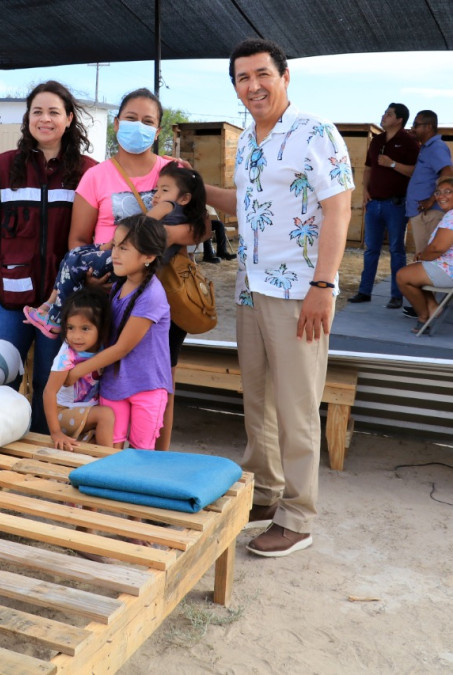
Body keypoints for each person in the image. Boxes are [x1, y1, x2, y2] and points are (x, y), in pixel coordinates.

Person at [204, 38, 354, 557]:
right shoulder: (248, 139)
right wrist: (194, 188)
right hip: (251, 288)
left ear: (285, 76)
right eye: (242, 78)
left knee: (296, 407)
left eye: (262, 74)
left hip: (298, 291)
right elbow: (244, 206)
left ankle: (298, 515)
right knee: (258, 399)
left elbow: (339, 209)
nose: (253, 86)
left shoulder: (315, 132)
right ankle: (265, 493)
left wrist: (323, 285)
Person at [69, 87, 207, 453]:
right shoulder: (96, 176)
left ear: (158, 131)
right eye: (131, 118)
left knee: (160, 383)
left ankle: (155, 461)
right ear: (116, 124)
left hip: (163, 296)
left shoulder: (175, 173)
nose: (138, 126)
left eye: (148, 121)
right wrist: (88, 275)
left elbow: (201, 228)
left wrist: (152, 235)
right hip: (109, 295)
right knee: (107, 379)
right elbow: (77, 239)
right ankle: (108, 459)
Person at [0, 81, 96, 433]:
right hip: (10, 296)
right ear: (28, 118)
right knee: (2, 375)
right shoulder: (5, 165)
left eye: (54, 112)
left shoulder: (88, 171)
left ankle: (43, 456)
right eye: (37, 112)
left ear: (69, 119)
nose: (44, 119)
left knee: (50, 381)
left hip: (63, 301)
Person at [27, 163, 206, 335]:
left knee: (74, 259)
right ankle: (50, 305)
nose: (157, 195)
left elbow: (140, 226)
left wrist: (111, 244)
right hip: (133, 260)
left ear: (185, 198)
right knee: (73, 255)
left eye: (164, 190)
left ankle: (56, 318)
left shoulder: (168, 206)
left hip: (126, 258)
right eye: (157, 189)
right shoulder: (183, 214)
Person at [66, 215, 171, 450]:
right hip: (114, 383)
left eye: (123, 248)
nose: (114, 254)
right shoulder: (118, 287)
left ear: (149, 256)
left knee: (141, 454)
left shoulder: (151, 295)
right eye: (114, 245)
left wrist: (77, 372)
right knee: (108, 449)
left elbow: (123, 347)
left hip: (147, 386)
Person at [349, 103, 420, 308]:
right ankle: (364, 291)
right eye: (384, 113)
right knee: (371, 249)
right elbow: (368, 167)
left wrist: (391, 164)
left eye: (388, 114)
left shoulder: (409, 142)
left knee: (397, 250)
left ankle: (397, 295)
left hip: (396, 205)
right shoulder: (377, 140)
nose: (384, 116)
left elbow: (415, 171)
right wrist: (365, 192)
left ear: (399, 119)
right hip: (374, 204)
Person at [43, 288, 115, 451]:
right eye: (70, 328)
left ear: (101, 328)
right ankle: (109, 463)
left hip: (87, 409)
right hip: (64, 412)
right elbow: (49, 392)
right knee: (106, 415)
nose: (76, 336)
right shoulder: (67, 355)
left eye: (85, 328)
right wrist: (55, 432)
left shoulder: (103, 348)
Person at [396, 175, 453, 333]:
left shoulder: (452, 216)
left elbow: (437, 248)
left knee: (403, 276)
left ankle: (424, 316)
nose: (441, 196)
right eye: (438, 192)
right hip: (447, 265)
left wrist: (422, 256)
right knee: (415, 270)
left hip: (449, 270)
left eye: (448, 192)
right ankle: (433, 306)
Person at [405, 109, 453, 266]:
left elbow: (447, 173)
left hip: (430, 213)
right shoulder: (426, 148)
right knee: (424, 261)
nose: (413, 128)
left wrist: (431, 200)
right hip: (423, 213)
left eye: (416, 125)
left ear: (429, 126)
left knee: (427, 261)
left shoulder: (436, 147)